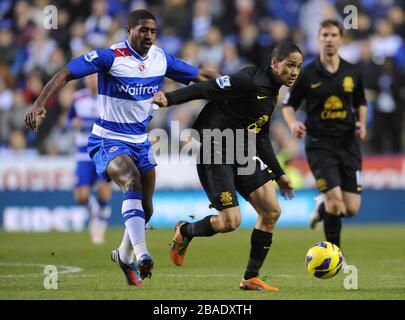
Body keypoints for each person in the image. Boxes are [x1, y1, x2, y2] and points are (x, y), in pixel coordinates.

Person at [25, 9, 218, 287]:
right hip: (108, 138)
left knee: (147, 208)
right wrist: (40, 102)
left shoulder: (161, 58)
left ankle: (124, 255)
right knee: (131, 181)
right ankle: (142, 254)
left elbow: (199, 75)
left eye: (153, 31)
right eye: (143, 30)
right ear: (129, 30)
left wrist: (232, 84)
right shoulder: (110, 57)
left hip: (140, 139)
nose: (148, 35)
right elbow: (67, 72)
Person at [153, 41, 302, 291]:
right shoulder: (250, 79)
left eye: (298, 67)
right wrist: (169, 98)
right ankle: (185, 230)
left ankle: (250, 277)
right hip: (216, 151)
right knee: (230, 222)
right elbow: (208, 88)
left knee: (271, 212)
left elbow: (261, 136)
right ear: (275, 63)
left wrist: (280, 174)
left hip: (242, 154)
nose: (295, 72)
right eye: (290, 65)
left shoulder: (272, 93)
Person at [282, 19, 367, 251]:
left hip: (349, 143)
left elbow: (361, 102)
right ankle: (334, 254)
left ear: (340, 39)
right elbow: (288, 105)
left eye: (333, 35)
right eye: (325, 35)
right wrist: (292, 125)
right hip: (320, 144)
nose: (329, 39)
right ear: (319, 39)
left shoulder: (352, 72)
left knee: (350, 208)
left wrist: (362, 123)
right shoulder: (307, 73)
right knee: (336, 202)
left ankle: (322, 207)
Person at [67, 73, 112, 245]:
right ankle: (96, 212)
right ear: (85, 79)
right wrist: (73, 123)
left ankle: (100, 225)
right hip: (82, 152)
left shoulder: (108, 97)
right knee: (81, 196)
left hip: (102, 151)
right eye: (90, 77)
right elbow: (69, 120)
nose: (93, 79)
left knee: (103, 190)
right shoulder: (78, 98)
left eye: (96, 77)